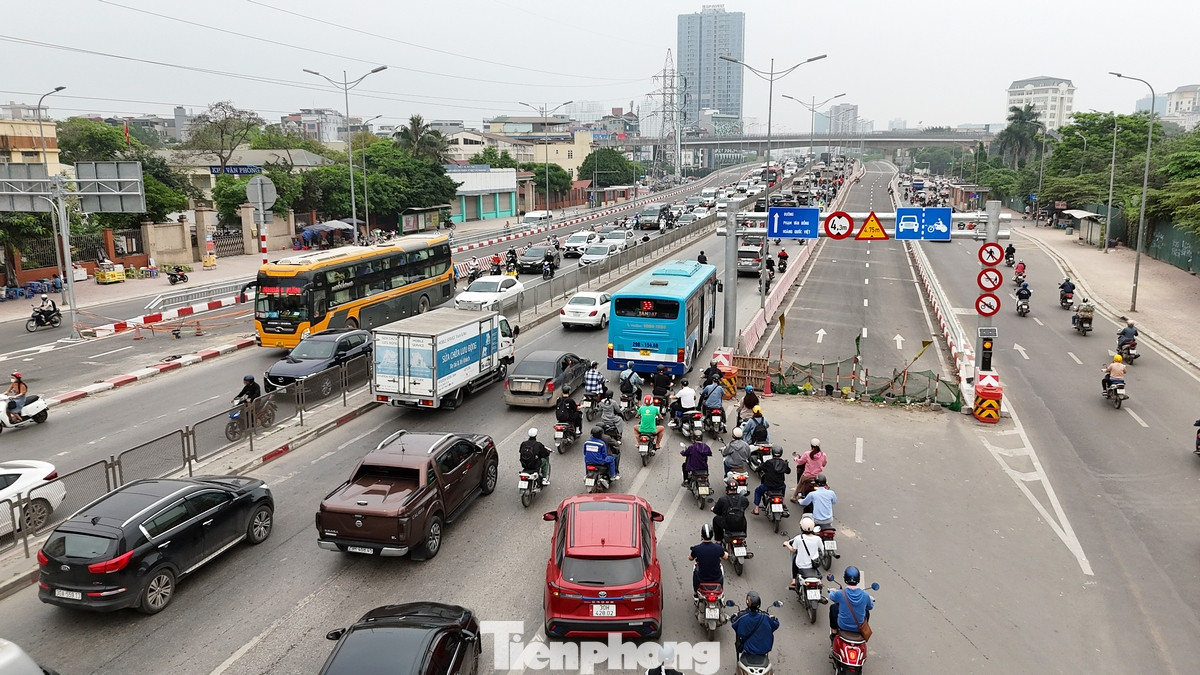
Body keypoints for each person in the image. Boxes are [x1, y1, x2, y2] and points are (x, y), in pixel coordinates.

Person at [829, 566, 874, 642]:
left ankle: (834, 632)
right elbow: (870, 606)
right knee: (866, 612)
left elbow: (832, 597)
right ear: (858, 580)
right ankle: (864, 631)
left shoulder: (840, 593)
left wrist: (831, 591)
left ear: (845, 579)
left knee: (833, 607)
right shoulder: (865, 595)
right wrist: (871, 599)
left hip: (843, 626)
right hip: (859, 628)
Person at [731, 591, 779, 659]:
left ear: (747, 602)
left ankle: (739, 659)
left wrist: (733, 617)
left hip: (748, 650)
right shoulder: (765, 617)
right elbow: (776, 624)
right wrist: (773, 618)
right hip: (764, 650)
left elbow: (734, 624)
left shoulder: (742, 617)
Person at [784, 517, 824, 588]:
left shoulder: (798, 538)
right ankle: (819, 580)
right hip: (813, 564)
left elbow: (793, 550)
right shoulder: (818, 539)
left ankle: (794, 580)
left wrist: (787, 544)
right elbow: (822, 550)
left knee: (795, 559)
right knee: (815, 565)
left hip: (801, 565)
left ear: (801, 527)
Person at [752, 446, 790, 515]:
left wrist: (756, 469)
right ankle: (783, 502)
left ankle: (756, 508)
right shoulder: (784, 463)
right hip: (780, 486)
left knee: (758, 491)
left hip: (767, 486)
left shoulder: (768, 462)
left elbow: (760, 468)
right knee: (784, 486)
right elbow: (788, 471)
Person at [689, 524, 727, 593]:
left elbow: (690, 558)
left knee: (695, 569)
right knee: (721, 568)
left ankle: (696, 592)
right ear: (712, 535)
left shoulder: (697, 548)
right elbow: (725, 557)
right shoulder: (718, 548)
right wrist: (726, 553)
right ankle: (721, 589)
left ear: (702, 535)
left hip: (702, 578)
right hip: (717, 578)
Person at [711, 477, 750, 542]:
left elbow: (717, 511)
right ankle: (743, 537)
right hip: (740, 525)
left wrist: (713, 509)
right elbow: (745, 506)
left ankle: (718, 541)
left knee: (716, 519)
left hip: (728, 525)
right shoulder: (744, 499)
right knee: (743, 518)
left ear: (727, 489)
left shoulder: (722, 499)